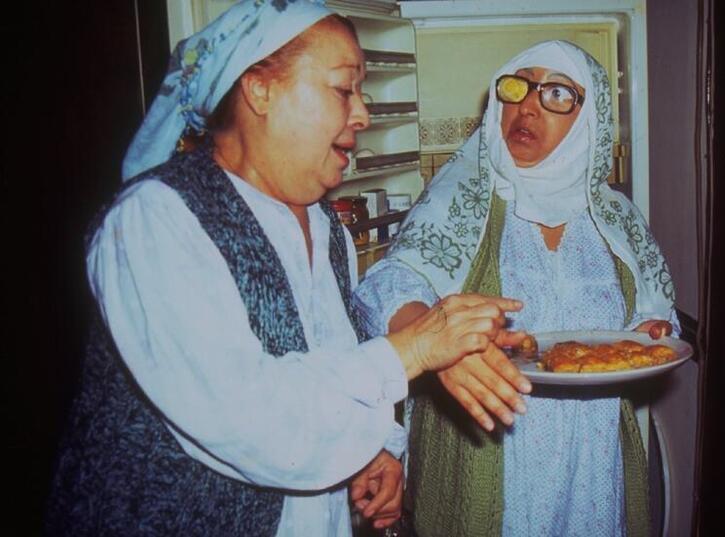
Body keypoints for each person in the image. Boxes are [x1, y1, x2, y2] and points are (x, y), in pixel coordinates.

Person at [44, 1, 530, 535]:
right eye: (343, 89)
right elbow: (247, 419)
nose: (363, 115)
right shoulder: (154, 220)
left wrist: (372, 449)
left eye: (362, 93)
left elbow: (329, 362)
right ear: (260, 91)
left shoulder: (324, 225)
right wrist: (413, 348)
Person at [355, 40, 679, 537]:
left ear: (590, 117)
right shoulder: (461, 201)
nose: (527, 106)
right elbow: (385, 285)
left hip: (592, 458)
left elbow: (653, 317)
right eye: (517, 88)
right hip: (487, 447)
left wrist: (650, 329)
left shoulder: (616, 218)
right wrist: (432, 339)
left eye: (557, 94)